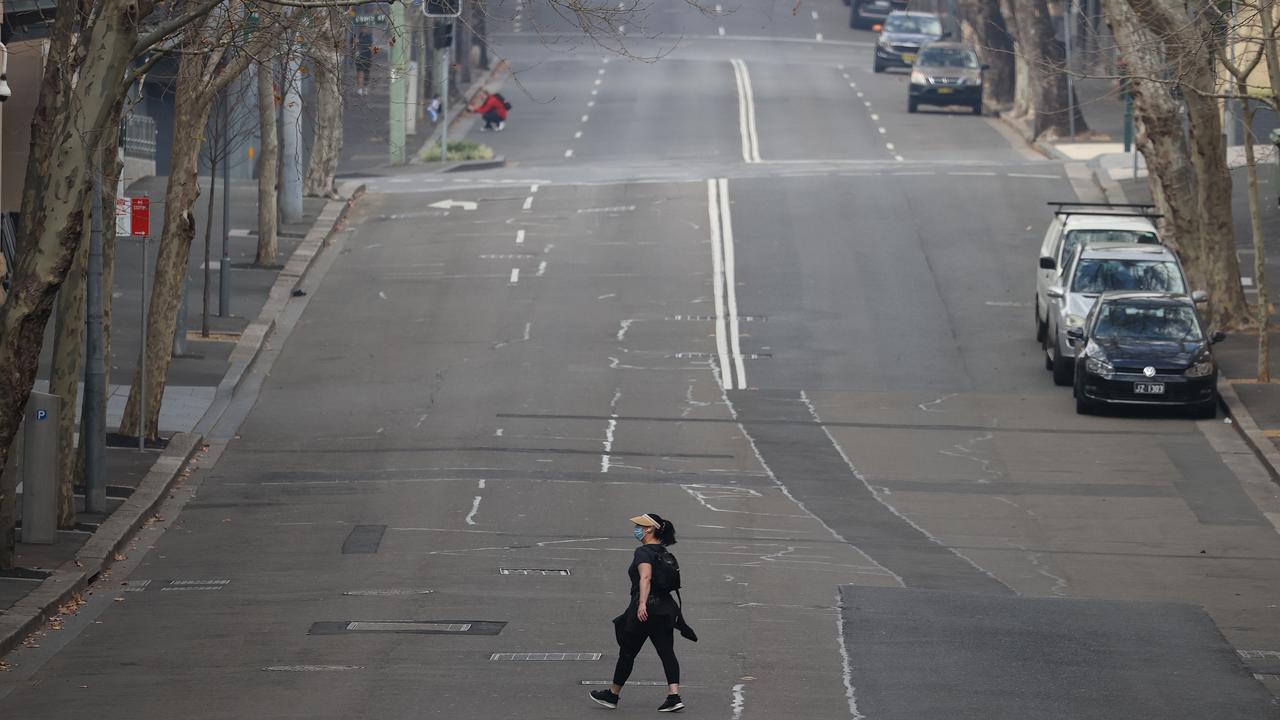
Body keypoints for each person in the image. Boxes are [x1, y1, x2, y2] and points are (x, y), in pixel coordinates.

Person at [590, 513, 685, 713]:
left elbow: (646, 577)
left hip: (645, 610)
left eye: (640, 525)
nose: (636, 528)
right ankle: (674, 696)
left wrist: (642, 604)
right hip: (665, 609)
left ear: (650, 529)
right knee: (667, 652)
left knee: (627, 652)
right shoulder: (663, 552)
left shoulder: (643, 552)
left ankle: (613, 695)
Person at [354, 29, 374, 96]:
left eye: (366, 27)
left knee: (366, 73)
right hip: (359, 56)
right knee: (360, 72)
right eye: (363, 27)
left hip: (367, 56)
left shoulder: (370, 36)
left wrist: (373, 55)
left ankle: (365, 88)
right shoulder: (357, 35)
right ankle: (360, 89)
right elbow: (354, 46)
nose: (364, 28)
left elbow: (373, 47)